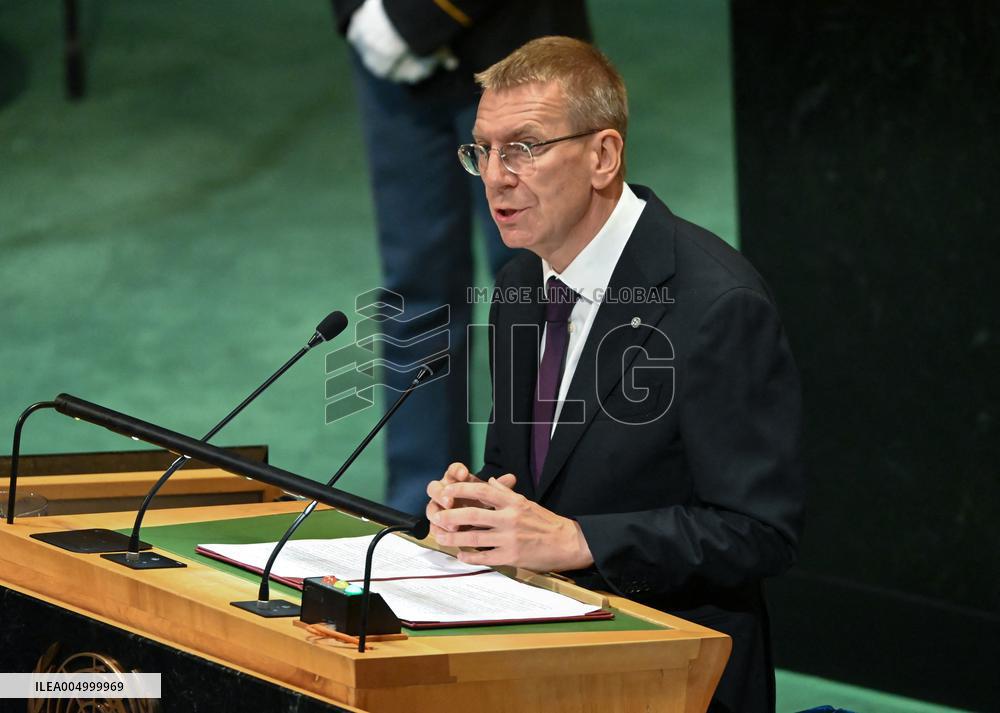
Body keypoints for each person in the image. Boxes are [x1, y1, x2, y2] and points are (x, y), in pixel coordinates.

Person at [424, 36, 805, 713]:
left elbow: (758, 530)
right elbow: (541, 477)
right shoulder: (518, 286)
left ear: (602, 155)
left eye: (525, 147)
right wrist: (480, 505)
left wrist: (577, 540)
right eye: (481, 149)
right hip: (535, 664)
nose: (495, 176)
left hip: (672, 680)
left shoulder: (717, 306)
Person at [329, 1, 590, 513]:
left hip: (518, 42)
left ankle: (547, 509)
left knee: (545, 283)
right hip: (388, 56)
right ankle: (420, 515)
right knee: (414, 293)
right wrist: (356, 13)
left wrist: (412, 17)